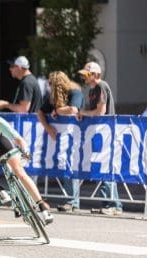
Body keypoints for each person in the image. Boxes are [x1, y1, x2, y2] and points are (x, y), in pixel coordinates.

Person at [0, 106, 54, 224]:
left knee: (20, 172)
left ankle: (42, 206)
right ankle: (0, 190)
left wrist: (25, 151)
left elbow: (18, 139)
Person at [77, 62, 123, 215]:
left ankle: (114, 205)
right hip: (98, 132)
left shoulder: (101, 86)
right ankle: (108, 203)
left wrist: (83, 113)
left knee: (106, 168)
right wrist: (82, 112)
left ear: (95, 75)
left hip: (106, 132)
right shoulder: (92, 90)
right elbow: (92, 111)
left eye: (86, 74)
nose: (84, 76)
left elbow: (100, 112)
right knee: (101, 168)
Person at [37, 71, 84, 212]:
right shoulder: (53, 97)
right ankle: (70, 200)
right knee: (66, 165)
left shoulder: (75, 92)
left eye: (52, 85)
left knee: (72, 166)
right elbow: (40, 112)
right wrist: (48, 127)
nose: (50, 88)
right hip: (63, 137)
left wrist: (58, 110)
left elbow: (73, 109)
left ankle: (73, 201)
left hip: (78, 136)